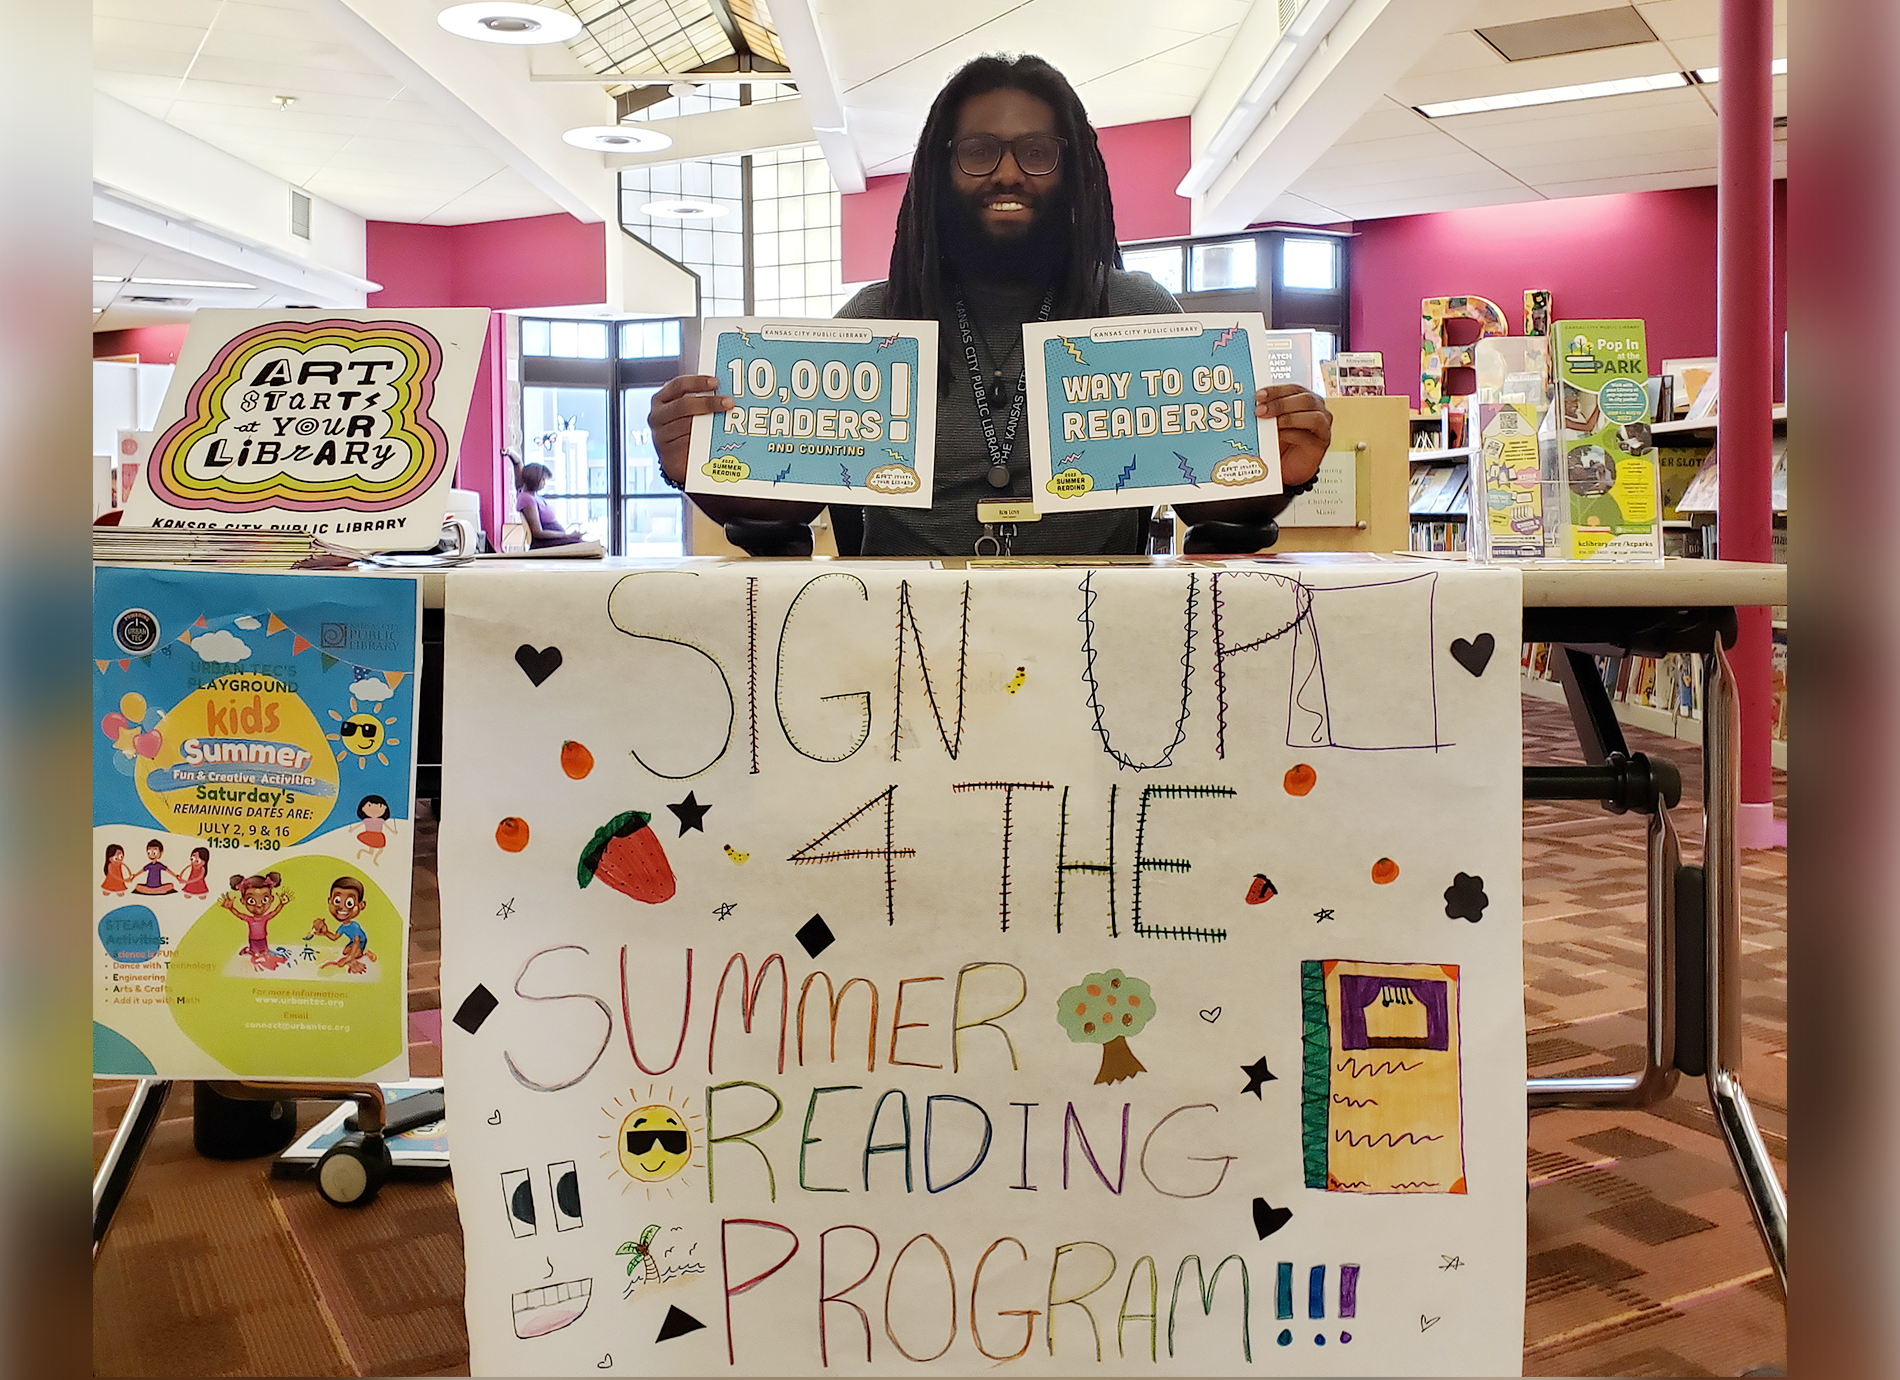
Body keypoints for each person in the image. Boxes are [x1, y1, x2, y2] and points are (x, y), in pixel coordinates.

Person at [647, 53, 1332, 556]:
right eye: (978, 151)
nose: (1008, 171)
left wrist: (1284, 474)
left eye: (1037, 151)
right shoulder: (874, 321)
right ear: (940, 173)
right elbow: (778, 504)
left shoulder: (1135, 311)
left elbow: (1208, 499)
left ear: (1076, 173)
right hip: (900, 653)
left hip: (1099, 651)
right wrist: (696, 462)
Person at [508, 450, 582, 548]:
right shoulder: (527, 499)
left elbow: (518, 462)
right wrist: (567, 535)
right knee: (587, 547)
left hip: (556, 540)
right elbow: (538, 532)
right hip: (546, 543)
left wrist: (509, 452)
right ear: (535, 478)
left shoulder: (530, 495)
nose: (544, 483)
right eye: (543, 480)